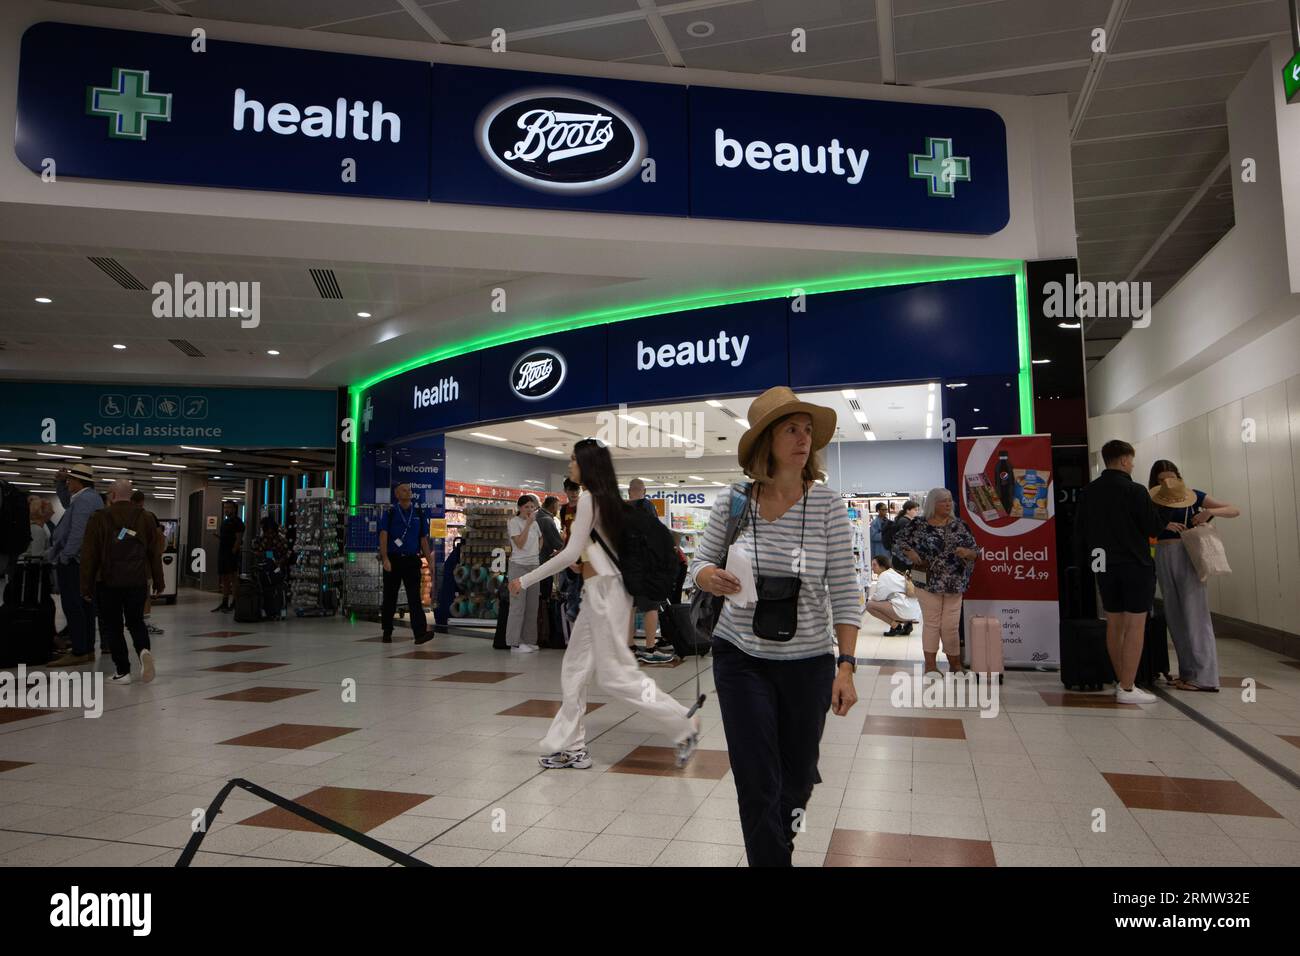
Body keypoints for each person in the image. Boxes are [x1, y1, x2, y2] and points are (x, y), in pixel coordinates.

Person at [690, 386, 860, 867]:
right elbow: (698, 562)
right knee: (755, 772)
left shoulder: (827, 505)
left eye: (807, 430)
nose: (803, 438)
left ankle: (776, 849)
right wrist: (708, 574)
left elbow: (846, 591)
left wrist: (846, 666)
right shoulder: (735, 501)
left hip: (808, 662)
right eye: (791, 428)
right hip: (740, 655)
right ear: (767, 439)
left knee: (798, 775)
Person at [510, 438, 700, 771]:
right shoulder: (608, 500)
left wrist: (524, 580)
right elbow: (585, 554)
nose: (569, 465)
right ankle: (571, 746)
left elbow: (571, 553)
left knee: (615, 676)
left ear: (586, 464)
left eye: (573, 460)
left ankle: (684, 725)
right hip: (600, 593)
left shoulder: (588, 500)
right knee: (574, 669)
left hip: (604, 594)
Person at [1076, 440, 1166, 703]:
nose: (1133, 465)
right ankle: (1127, 687)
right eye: (1132, 460)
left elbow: (1080, 532)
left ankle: (1121, 680)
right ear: (1125, 460)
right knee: (1135, 624)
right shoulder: (1135, 491)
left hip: (1102, 564)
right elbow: (1153, 527)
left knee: (1113, 622)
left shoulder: (1088, 491)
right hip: (1135, 564)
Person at [1147, 460, 1240, 692]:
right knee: (1175, 616)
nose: (1167, 484)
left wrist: (1210, 512)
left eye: (1171, 478)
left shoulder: (1194, 496)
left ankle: (1206, 677)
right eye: (1161, 480)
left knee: (1195, 613)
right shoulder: (1151, 498)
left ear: (1178, 477)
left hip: (1188, 553)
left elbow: (1233, 509)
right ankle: (1188, 672)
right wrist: (1163, 525)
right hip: (1163, 553)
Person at [81, 479, 164, 684]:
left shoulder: (98, 518)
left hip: (107, 581)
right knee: (136, 622)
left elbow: (89, 554)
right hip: (137, 580)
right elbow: (154, 552)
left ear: (112, 495)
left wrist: (86, 585)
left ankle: (123, 671)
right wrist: (158, 580)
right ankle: (144, 651)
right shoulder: (146, 518)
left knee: (113, 626)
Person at [895, 487, 979, 676]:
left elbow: (975, 551)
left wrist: (968, 553)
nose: (948, 504)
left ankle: (955, 665)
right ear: (933, 503)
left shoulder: (959, 525)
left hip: (954, 582)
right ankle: (930, 666)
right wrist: (912, 554)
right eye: (943, 501)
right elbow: (899, 541)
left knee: (950, 625)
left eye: (949, 500)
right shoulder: (919, 524)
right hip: (926, 581)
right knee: (932, 623)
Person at [46, 464, 101, 667]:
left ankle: (79, 650)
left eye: (69, 480)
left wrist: (66, 555)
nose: (68, 483)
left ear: (78, 481)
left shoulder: (85, 500)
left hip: (75, 562)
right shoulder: (88, 497)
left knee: (74, 605)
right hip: (83, 561)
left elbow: (78, 531)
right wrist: (59, 482)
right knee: (85, 605)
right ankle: (86, 649)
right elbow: (68, 502)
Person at [378, 483, 433, 644]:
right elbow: (383, 535)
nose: (408, 492)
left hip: (411, 560)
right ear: (396, 494)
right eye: (404, 490)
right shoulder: (390, 512)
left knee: (414, 597)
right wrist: (385, 558)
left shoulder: (418, 512)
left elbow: (423, 539)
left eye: (409, 490)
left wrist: (429, 561)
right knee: (390, 597)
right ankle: (387, 631)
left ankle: (420, 633)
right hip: (393, 559)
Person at [626, 477, 672, 664]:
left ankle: (630, 646)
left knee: (631, 606)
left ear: (629, 492)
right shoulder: (647, 506)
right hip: (647, 565)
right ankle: (651, 647)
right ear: (644, 491)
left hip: (628, 566)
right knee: (651, 606)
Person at [505, 494, 543, 654]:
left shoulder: (535, 524)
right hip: (518, 566)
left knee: (532, 606)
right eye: (526, 507)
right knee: (517, 606)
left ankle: (529, 640)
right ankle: (514, 642)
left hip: (534, 566)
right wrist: (527, 524)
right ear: (520, 508)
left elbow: (541, 539)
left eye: (531, 507)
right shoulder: (514, 522)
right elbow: (519, 544)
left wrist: (536, 552)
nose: (529, 509)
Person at [130, 491, 167, 636]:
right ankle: (143, 622)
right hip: (144, 563)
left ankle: (138, 621)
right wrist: (157, 553)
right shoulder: (150, 517)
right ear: (142, 501)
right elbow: (159, 538)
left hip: (128, 563)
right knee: (145, 592)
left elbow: (119, 537)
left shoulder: (127, 518)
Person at [866, 555, 920, 636]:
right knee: (890, 600)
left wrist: (869, 598)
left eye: (874, 565)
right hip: (913, 610)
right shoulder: (894, 573)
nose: (872, 568)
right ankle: (907, 624)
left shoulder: (884, 575)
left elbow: (878, 597)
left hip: (905, 609)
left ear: (882, 566)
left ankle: (895, 626)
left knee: (869, 605)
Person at [253, 515, 291, 621]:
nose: (270, 535)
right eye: (267, 532)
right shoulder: (260, 540)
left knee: (277, 588)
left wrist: (280, 562)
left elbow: (287, 553)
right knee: (265, 589)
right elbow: (256, 552)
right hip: (265, 569)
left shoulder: (280, 540)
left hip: (277, 569)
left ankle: (276, 609)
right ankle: (267, 609)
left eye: (272, 533)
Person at [557, 478, 584, 626]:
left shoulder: (584, 507)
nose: (574, 493)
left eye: (576, 490)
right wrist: (562, 550)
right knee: (572, 592)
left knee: (581, 592)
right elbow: (566, 533)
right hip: (570, 555)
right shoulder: (563, 509)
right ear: (565, 491)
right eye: (571, 490)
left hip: (584, 555)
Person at [210, 500, 244, 612]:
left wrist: (233, 552)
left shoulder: (238, 522)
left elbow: (238, 539)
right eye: (225, 507)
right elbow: (226, 538)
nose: (226, 510)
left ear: (234, 509)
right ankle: (224, 602)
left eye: (229, 507)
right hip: (223, 552)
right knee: (224, 578)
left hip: (231, 554)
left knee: (233, 578)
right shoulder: (225, 522)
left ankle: (235, 602)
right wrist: (218, 537)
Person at [535, 495, 564, 602]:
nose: (558, 510)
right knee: (545, 594)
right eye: (557, 507)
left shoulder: (536, 516)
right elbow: (558, 544)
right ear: (552, 507)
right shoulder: (547, 520)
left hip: (533, 561)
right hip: (544, 561)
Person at [435, 537, 462, 632]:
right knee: (447, 596)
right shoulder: (459, 553)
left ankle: (441, 616)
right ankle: (444, 616)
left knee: (445, 595)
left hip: (448, 577)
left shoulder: (456, 552)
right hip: (450, 578)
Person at [886, 500, 919, 572]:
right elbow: (904, 540)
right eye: (915, 510)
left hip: (900, 557)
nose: (917, 512)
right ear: (908, 510)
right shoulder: (904, 522)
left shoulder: (903, 520)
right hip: (902, 558)